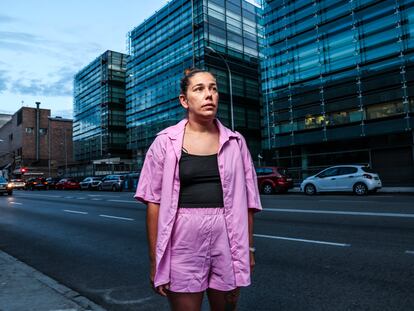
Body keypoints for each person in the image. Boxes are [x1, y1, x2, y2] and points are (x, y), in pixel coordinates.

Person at [135, 68, 262, 311]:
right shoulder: (165, 142)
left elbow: (248, 203)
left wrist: (249, 249)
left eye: (213, 88)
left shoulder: (236, 142)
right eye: (199, 89)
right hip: (182, 240)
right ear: (184, 100)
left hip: (228, 239)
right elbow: (154, 204)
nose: (209, 95)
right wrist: (155, 262)